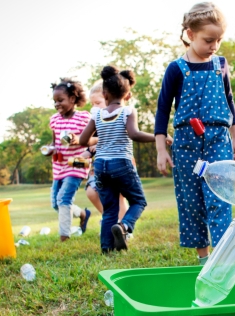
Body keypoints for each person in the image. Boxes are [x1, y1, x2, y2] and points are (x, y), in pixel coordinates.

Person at [154, 2, 235, 265]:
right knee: (191, 201)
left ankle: (223, 258)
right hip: (186, 144)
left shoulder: (221, 65)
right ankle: (204, 258)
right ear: (190, 35)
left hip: (218, 140)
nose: (214, 45)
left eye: (218, 40)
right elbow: (161, 110)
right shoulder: (176, 69)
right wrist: (160, 149)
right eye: (208, 40)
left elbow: (230, 103)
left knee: (219, 198)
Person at [80, 66, 170, 253]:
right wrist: (158, 136)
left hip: (101, 166)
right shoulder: (128, 111)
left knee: (110, 209)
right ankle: (124, 227)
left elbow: (82, 140)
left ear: (104, 94)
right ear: (127, 95)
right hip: (121, 163)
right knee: (138, 202)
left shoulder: (97, 114)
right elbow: (134, 134)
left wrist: (98, 138)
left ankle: (107, 248)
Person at [48, 77, 92, 242]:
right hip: (59, 166)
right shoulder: (54, 120)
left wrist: (78, 139)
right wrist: (50, 149)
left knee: (63, 199)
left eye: (61, 100)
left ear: (72, 99)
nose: (57, 104)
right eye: (55, 101)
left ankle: (64, 236)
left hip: (78, 163)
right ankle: (82, 214)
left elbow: (93, 139)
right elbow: (55, 143)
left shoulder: (83, 118)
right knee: (55, 203)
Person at [83, 83, 129, 222]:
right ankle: (111, 220)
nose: (94, 107)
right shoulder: (96, 121)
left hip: (119, 163)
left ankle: (124, 228)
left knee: (119, 197)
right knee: (91, 192)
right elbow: (89, 143)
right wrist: (84, 155)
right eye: (92, 104)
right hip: (100, 168)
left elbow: (124, 137)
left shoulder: (122, 115)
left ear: (109, 99)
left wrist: (99, 142)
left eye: (98, 102)